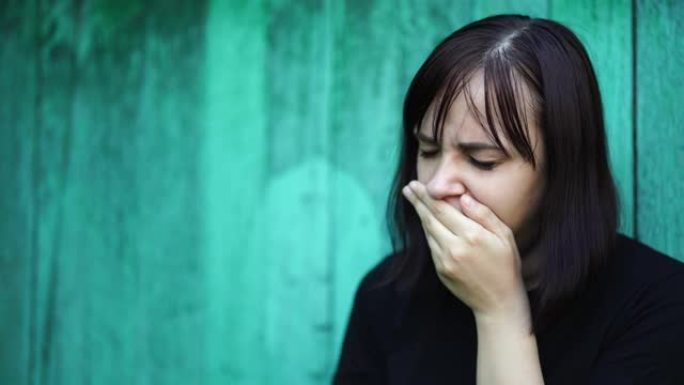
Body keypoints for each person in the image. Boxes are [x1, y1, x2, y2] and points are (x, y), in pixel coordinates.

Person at [332, 14, 684, 385]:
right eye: (428, 149)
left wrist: (499, 312)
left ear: (562, 168)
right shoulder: (387, 293)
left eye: (482, 161)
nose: (437, 184)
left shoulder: (659, 305)